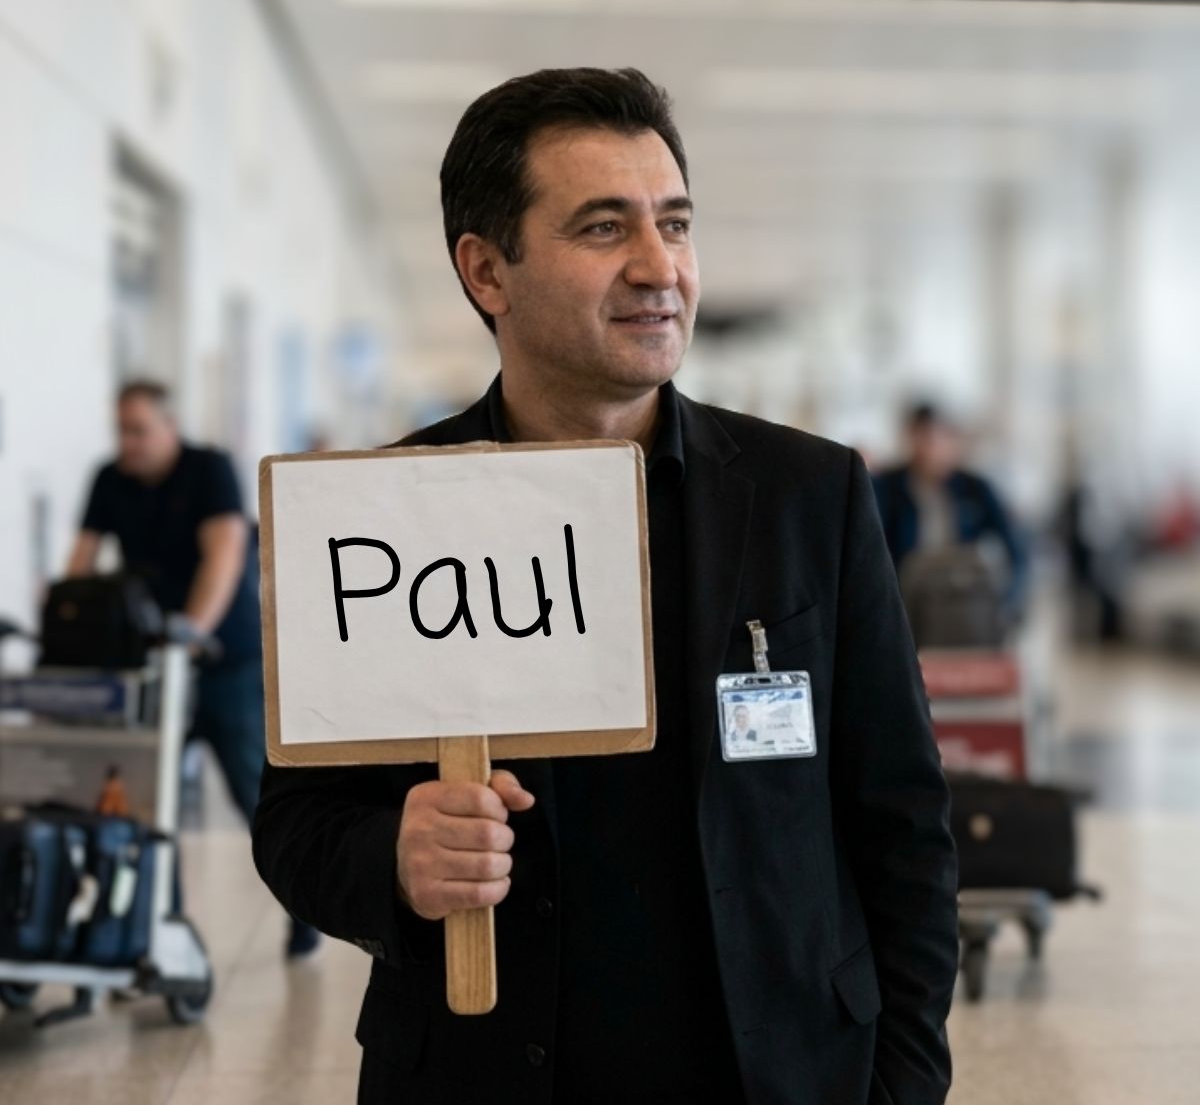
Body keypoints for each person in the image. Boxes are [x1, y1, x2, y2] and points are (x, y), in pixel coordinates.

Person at [252, 69, 958, 1104]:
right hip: (485, 1074)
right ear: (488, 270)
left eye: (674, 223)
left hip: (782, 1068)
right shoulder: (383, 514)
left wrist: (904, 1082)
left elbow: (902, 819)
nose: (658, 267)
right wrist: (392, 856)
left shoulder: (809, 495)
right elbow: (296, 823)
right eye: (601, 228)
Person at [67, 381, 320, 959]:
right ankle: (160, 929)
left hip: (224, 663)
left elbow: (225, 553)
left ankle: (304, 912)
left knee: (257, 797)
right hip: (153, 668)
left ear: (169, 427)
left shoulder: (209, 470)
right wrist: (67, 618)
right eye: (121, 431)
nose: (127, 443)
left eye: (139, 430)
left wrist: (192, 632)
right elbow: (80, 564)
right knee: (148, 803)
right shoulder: (111, 479)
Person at [872, 402, 1029, 617]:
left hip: (962, 601)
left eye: (937, 438)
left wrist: (1007, 602)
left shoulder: (974, 489)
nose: (930, 448)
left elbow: (1016, 547)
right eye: (922, 437)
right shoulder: (886, 486)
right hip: (904, 604)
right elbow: (871, 546)